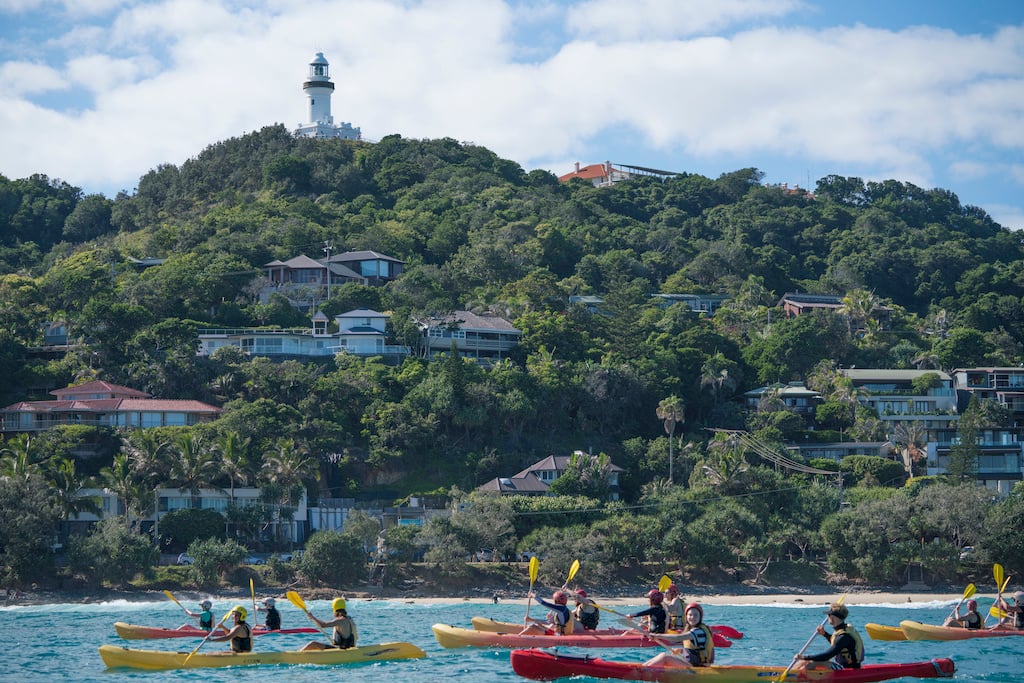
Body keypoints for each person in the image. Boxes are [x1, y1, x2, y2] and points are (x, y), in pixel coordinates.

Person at [644, 602, 715, 669]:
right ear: (686, 617)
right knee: (663, 655)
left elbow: (678, 638)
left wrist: (657, 636)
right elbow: (697, 649)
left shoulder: (698, 631)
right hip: (695, 667)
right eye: (690, 615)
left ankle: (642, 671)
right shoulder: (696, 630)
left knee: (665, 657)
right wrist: (682, 650)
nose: (692, 617)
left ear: (700, 617)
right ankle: (642, 668)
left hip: (697, 669)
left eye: (696, 615)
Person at [794, 602, 863, 670]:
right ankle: (791, 673)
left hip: (847, 670)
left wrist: (805, 657)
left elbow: (827, 655)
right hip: (840, 666)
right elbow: (837, 644)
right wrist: (824, 634)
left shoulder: (844, 636)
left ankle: (797, 678)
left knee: (812, 662)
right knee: (803, 662)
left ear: (832, 617)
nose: (827, 617)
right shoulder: (842, 631)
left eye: (828, 615)